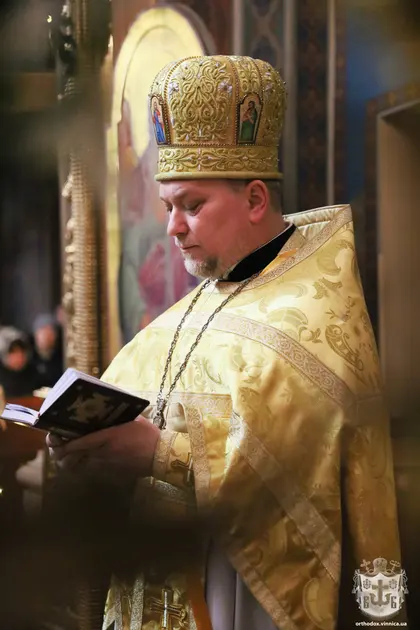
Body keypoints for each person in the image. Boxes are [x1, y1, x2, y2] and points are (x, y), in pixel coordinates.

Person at [48, 55, 402, 630]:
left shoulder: (317, 312)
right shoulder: (185, 313)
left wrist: (160, 454)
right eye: (168, 207)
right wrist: (88, 450)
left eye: (192, 205)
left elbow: (302, 474)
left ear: (256, 199)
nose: (172, 227)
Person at [0, 326, 40, 398]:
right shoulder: (2, 375)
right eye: (13, 352)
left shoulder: (33, 372)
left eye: (22, 351)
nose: (19, 355)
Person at [31, 313, 63, 388]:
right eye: (43, 332)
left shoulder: (61, 357)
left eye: (50, 332)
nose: (46, 337)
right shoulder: (29, 356)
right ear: (36, 334)